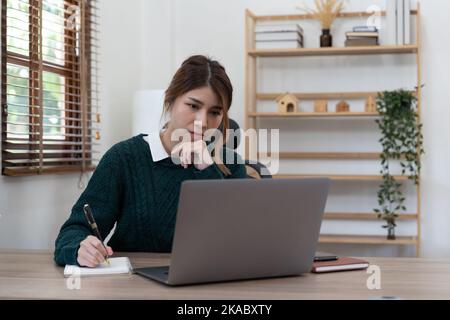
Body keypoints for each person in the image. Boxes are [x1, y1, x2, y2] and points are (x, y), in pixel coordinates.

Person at [54, 55, 247, 267]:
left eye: (215, 112)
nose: (202, 122)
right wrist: (80, 248)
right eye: (193, 106)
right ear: (170, 100)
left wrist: (207, 168)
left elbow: (242, 240)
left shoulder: (229, 165)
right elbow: (73, 232)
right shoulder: (124, 158)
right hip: (135, 285)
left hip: (209, 282)